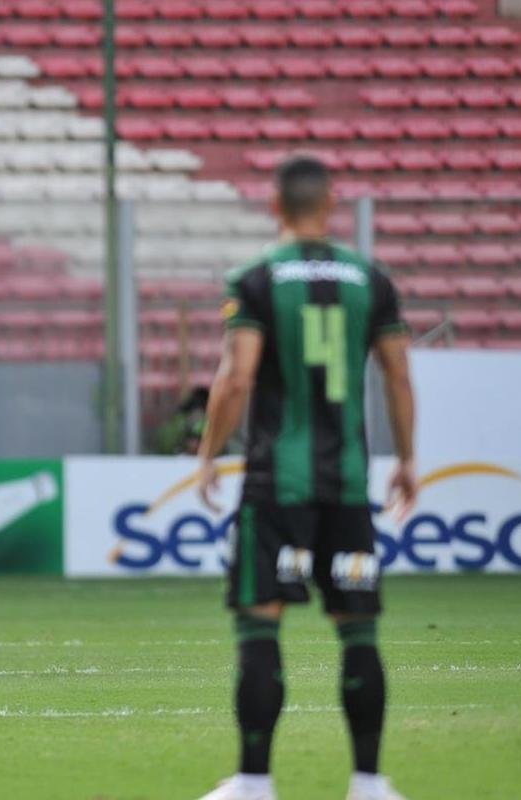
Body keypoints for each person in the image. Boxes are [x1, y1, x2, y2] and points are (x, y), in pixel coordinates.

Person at [195, 156, 417, 800]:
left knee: (260, 625)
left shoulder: (257, 278)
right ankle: (370, 784)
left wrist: (208, 451)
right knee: (358, 628)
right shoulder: (370, 278)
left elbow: (237, 377)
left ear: (275, 205)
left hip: (277, 483)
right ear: (333, 203)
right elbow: (398, 376)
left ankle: (254, 784)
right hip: (346, 483)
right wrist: (408, 458)